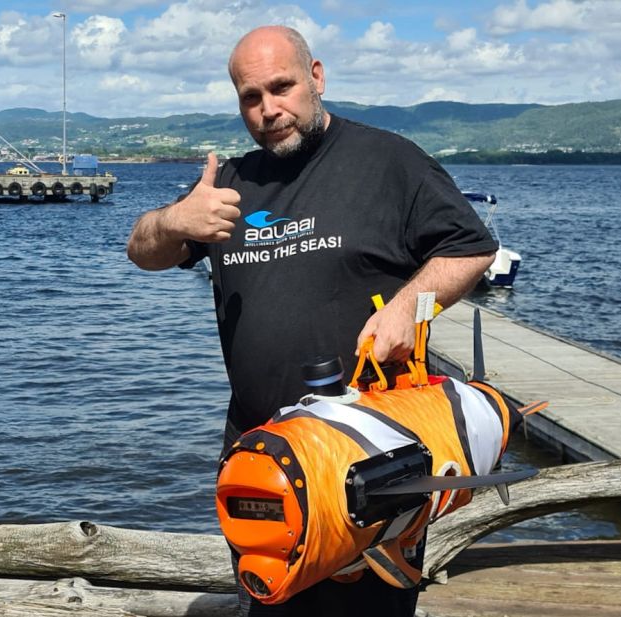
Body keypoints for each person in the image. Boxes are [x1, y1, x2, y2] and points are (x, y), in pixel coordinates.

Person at [127, 25, 497, 617]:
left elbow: (471, 248)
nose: (269, 109)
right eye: (251, 97)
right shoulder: (229, 184)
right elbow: (141, 251)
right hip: (262, 459)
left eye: (282, 87)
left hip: (374, 459)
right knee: (271, 608)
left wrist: (409, 303)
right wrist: (176, 221)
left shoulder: (388, 160)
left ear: (316, 77)